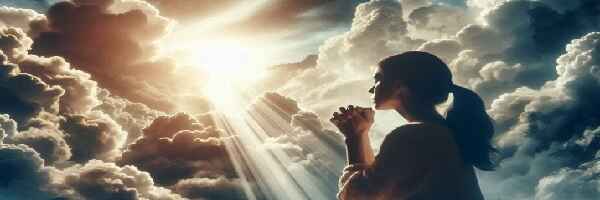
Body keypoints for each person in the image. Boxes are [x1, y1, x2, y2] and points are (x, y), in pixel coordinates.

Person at [330, 51, 496, 200]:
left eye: (378, 79)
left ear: (398, 86)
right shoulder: (441, 132)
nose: (371, 90)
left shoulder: (413, 136)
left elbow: (360, 197)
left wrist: (354, 138)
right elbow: (377, 183)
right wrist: (361, 133)